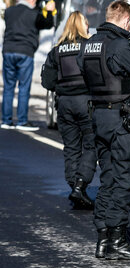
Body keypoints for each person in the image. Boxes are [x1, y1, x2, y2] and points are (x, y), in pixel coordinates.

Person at [77, 0, 130, 261]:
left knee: (109, 178)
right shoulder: (121, 45)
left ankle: (103, 237)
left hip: (98, 116)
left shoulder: (90, 43)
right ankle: (118, 238)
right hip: (121, 119)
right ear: (126, 20)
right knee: (125, 179)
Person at [41, 11, 96, 209]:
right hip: (87, 102)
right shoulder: (90, 48)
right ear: (84, 26)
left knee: (71, 148)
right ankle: (81, 185)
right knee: (91, 145)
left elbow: (47, 82)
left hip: (64, 104)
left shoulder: (56, 51)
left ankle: (75, 187)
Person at [2, 0, 56, 131]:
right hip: (25, 52)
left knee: (8, 87)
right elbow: (47, 24)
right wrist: (49, 11)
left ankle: (6, 120)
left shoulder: (9, 11)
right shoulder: (34, 13)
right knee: (23, 87)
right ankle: (22, 121)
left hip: (8, 51)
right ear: (32, 0)